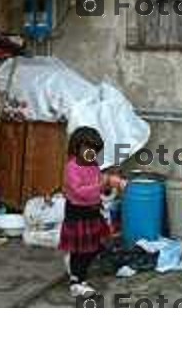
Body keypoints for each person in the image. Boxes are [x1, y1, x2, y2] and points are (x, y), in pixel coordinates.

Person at [59, 126, 126, 297]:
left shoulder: (94, 165)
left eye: (95, 151)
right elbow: (80, 191)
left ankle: (76, 268)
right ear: (77, 147)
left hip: (93, 213)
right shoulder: (72, 167)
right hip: (77, 214)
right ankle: (77, 281)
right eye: (88, 150)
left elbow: (98, 190)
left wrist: (110, 187)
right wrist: (103, 184)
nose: (92, 154)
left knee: (96, 246)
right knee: (81, 251)